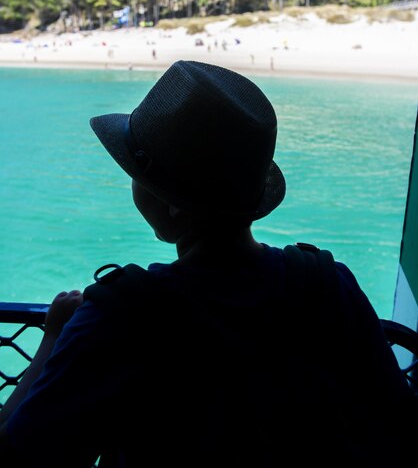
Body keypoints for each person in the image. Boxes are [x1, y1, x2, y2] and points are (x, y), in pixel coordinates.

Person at [0, 60, 416, 467]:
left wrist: (54, 338)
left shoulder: (121, 316)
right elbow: (397, 424)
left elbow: (20, 456)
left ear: (170, 204)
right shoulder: (326, 283)